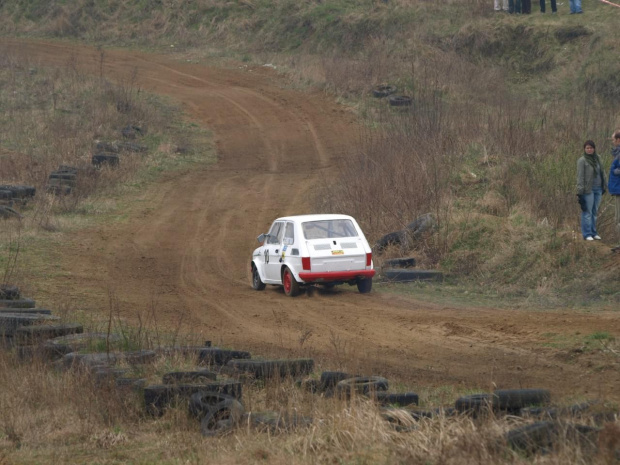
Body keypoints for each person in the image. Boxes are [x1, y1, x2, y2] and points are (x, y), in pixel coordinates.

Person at [577, 140, 606, 241]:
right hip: (588, 190)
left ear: (594, 148)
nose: (589, 150)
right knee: (587, 211)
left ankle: (594, 232)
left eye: (591, 148)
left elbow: (603, 172)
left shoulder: (598, 158)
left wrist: (604, 186)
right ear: (584, 149)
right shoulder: (582, 160)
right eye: (587, 148)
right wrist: (580, 192)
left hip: (598, 188)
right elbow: (580, 177)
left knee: (595, 211)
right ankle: (587, 233)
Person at [609, 131, 620, 250]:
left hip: (619, 189)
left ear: (618, 140)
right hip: (617, 188)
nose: (613, 142)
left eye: (613, 139)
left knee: (618, 219)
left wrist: (615, 171)